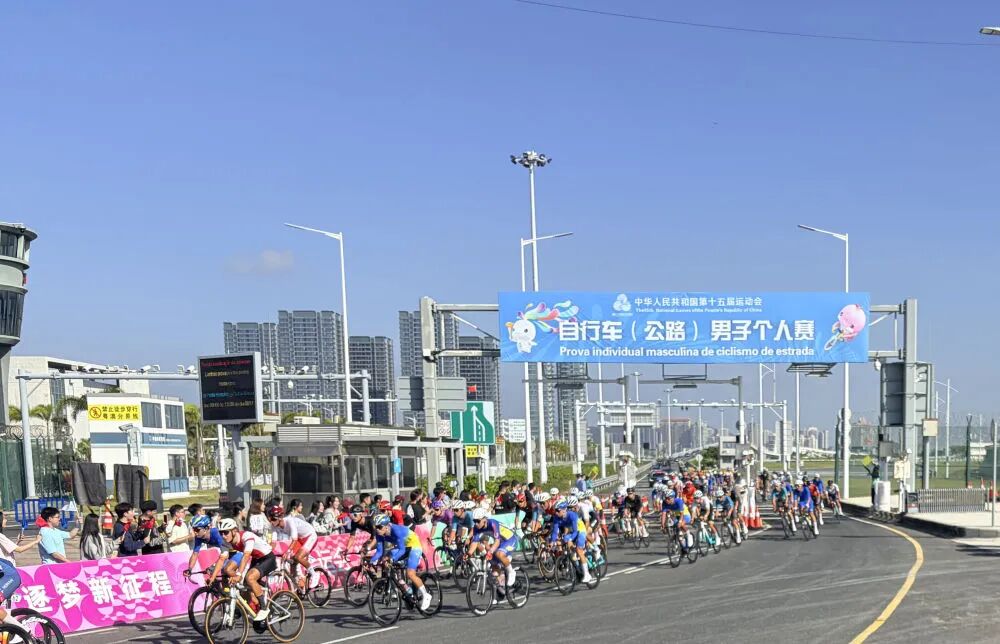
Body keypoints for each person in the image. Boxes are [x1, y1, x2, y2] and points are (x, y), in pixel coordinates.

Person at [370, 513, 432, 611]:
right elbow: (379, 552)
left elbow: (402, 550)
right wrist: (371, 561)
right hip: (402, 547)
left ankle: (426, 595)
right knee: (386, 559)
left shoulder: (396, 530)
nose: (377, 529)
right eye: (375, 527)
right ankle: (404, 586)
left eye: (379, 527)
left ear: (386, 526)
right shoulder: (379, 534)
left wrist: (392, 559)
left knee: (410, 574)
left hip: (413, 545)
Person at [220, 518, 277, 622]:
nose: (223, 536)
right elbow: (225, 558)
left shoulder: (246, 536)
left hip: (268, 558)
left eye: (226, 532)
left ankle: (264, 608)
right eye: (221, 533)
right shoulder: (228, 542)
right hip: (256, 559)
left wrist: (238, 574)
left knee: (250, 578)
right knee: (245, 584)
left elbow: (246, 555)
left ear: (234, 531)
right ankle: (247, 606)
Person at [267, 505, 317, 592]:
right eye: (270, 519)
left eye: (273, 519)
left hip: (310, 536)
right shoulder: (273, 526)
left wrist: (287, 552)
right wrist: (267, 552)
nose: (271, 522)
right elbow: (273, 543)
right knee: (292, 562)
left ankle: (314, 574)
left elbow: (294, 539)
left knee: (298, 557)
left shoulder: (289, 521)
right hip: (300, 539)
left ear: (280, 518)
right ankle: (298, 584)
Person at [468, 508, 519, 588]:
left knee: (499, 553)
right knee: (493, 566)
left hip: (510, 539)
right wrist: (468, 554)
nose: (476, 524)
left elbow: (497, 541)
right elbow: (474, 542)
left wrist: (490, 551)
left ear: (484, 519)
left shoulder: (492, 523)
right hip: (501, 543)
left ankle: (511, 572)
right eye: (474, 521)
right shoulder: (476, 528)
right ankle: (501, 588)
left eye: (478, 521)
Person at [548, 501, 592, 583]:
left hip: (580, 529)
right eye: (555, 510)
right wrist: (552, 542)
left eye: (557, 510)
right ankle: (575, 564)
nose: (556, 512)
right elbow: (555, 532)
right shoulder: (556, 517)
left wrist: (570, 539)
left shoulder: (572, 515)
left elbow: (575, 531)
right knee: (565, 543)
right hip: (571, 532)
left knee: (578, 550)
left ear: (564, 510)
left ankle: (587, 574)